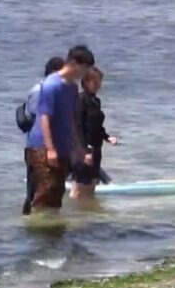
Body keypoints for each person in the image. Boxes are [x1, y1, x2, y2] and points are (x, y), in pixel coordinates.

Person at [25, 46, 95, 213]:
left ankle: (52, 234)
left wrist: (78, 149)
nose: (85, 74)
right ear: (72, 63)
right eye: (84, 68)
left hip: (62, 147)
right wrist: (50, 149)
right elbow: (44, 117)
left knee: (57, 193)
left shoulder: (71, 88)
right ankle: (36, 231)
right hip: (41, 146)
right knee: (45, 191)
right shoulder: (51, 85)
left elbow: (70, 120)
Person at [21, 56, 64, 215]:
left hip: (43, 146)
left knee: (41, 189)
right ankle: (32, 224)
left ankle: (31, 222)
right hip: (38, 147)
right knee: (38, 190)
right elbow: (36, 118)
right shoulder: (40, 91)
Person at [70, 66, 119, 200]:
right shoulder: (80, 99)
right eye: (95, 82)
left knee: (91, 188)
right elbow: (78, 126)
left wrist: (107, 137)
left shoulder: (95, 101)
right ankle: (75, 218)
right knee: (79, 189)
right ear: (86, 81)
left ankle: (87, 218)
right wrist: (84, 151)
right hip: (84, 150)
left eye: (100, 82)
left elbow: (97, 126)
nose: (99, 85)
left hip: (96, 149)